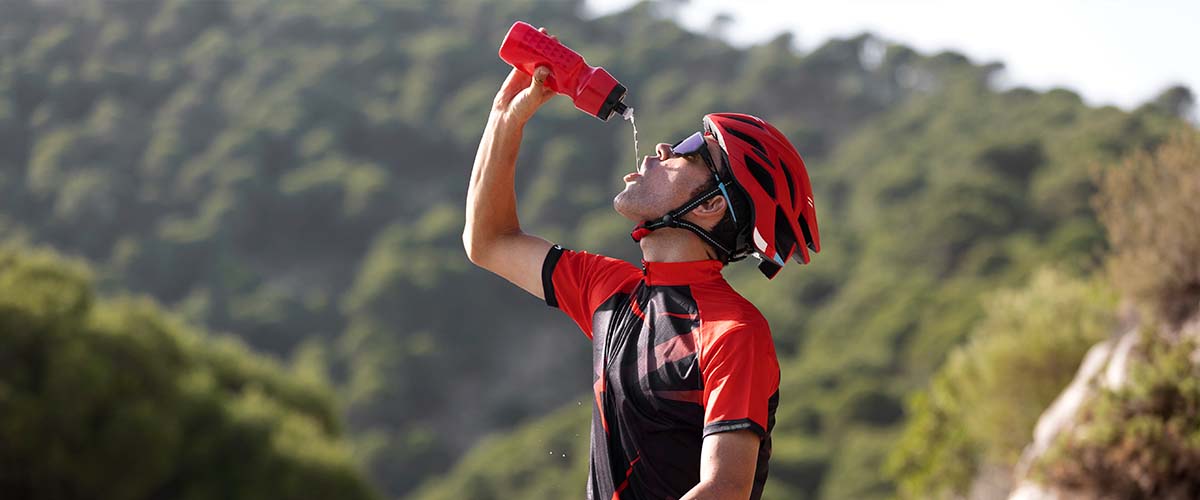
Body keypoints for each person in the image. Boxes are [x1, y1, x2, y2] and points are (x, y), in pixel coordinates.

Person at [463, 28, 820, 500]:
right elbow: (488, 241)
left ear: (711, 206)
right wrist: (505, 120)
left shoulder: (733, 333)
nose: (666, 148)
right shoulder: (610, 288)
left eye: (693, 149)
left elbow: (724, 489)